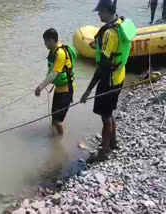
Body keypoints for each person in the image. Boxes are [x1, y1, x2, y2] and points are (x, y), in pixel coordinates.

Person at [81, 0, 136, 161]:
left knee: (105, 116)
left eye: (99, 12)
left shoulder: (109, 33)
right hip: (119, 75)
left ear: (106, 10)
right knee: (110, 111)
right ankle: (113, 142)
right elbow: (114, 51)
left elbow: (103, 66)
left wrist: (88, 90)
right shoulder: (120, 23)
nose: (98, 15)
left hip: (109, 79)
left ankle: (104, 152)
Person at [35, 28, 76, 135]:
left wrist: (40, 87)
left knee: (58, 120)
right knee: (54, 117)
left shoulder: (61, 53)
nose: (45, 45)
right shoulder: (53, 51)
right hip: (59, 89)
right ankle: (53, 141)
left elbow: (54, 74)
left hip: (66, 90)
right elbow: (50, 70)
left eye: (46, 42)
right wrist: (45, 84)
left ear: (52, 40)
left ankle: (61, 140)